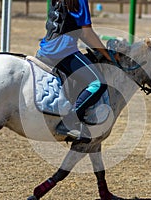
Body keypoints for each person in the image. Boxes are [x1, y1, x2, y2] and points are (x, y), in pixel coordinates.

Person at [36, 0, 117, 143]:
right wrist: (107, 55)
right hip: (63, 52)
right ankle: (69, 122)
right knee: (98, 83)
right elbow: (87, 33)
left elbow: (72, 27)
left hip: (45, 49)